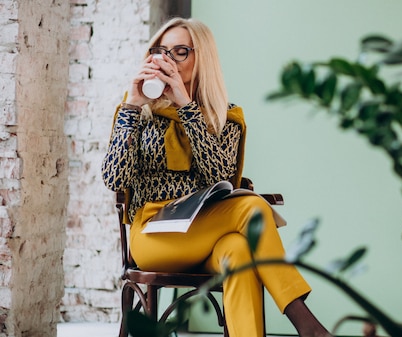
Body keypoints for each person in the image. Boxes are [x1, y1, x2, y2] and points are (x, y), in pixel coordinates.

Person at [102, 17, 333, 337]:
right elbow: (114, 178)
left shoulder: (224, 117)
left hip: (205, 229)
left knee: (239, 249)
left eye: (180, 51)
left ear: (202, 59)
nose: (168, 59)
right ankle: (306, 323)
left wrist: (186, 105)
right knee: (252, 209)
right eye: (160, 51)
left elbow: (220, 175)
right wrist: (132, 103)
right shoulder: (137, 113)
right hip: (154, 235)